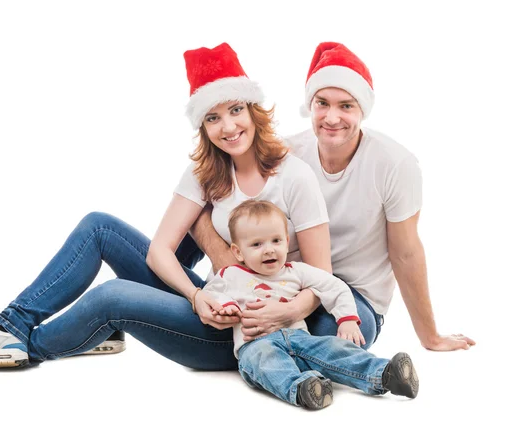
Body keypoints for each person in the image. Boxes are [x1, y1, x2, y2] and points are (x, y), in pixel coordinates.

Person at [0, 43, 331, 371]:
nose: (228, 127)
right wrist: (197, 296)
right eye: (213, 117)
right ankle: (11, 325)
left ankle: (26, 348)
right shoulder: (207, 172)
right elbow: (159, 251)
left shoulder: (293, 176)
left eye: (236, 110)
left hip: (252, 334)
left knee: (113, 296)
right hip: (217, 304)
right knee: (99, 226)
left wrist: (281, 313)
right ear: (203, 126)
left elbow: (322, 277)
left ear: (253, 110)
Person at [188, 42, 475, 352]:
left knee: (331, 338)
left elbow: (406, 253)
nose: (332, 117)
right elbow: (213, 202)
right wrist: (224, 263)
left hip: (354, 295)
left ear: (362, 109)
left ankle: (262, 351)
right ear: (310, 105)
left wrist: (429, 336)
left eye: (346, 106)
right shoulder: (287, 153)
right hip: (289, 284)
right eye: (322, 103)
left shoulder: (395, 165)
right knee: (272, 328)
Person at [204, 199, 418, 409]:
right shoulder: (231, 274)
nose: (269, 250)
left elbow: (334, 286)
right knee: (265, 361)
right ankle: (303, 388)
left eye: (276, 241)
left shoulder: (296, 271)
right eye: (257, 244)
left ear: (287, 241)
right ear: (238, 251)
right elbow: (211, 293)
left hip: (300, 338)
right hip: (256, 343)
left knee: (333, 347)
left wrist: (348, 319)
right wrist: (226, 307)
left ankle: (385, 374)